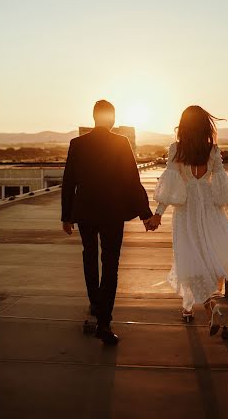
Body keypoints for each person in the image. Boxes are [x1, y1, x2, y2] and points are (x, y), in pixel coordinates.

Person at [150, 106, 228, 335]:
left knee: (188, 256)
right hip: (209, 208)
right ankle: (199, 304)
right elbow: (221, 185)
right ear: (205, 126)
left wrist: (158, 213)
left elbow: (170, 184)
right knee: (210, 254)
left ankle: (202, 306)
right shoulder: (212, 150)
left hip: (186, 211)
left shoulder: (176, 149)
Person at [61, 100, 154, 345]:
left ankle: (95, 302)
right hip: (112, 212)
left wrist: (66, 215)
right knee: (110, 263)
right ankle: (104, 321)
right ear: (112, 119)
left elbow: (68, 181)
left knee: (89, 255)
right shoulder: (120, 142)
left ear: (93, 117)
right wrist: (145, 213)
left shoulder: (77, 144)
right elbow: (132, 180)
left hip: (84, 212)